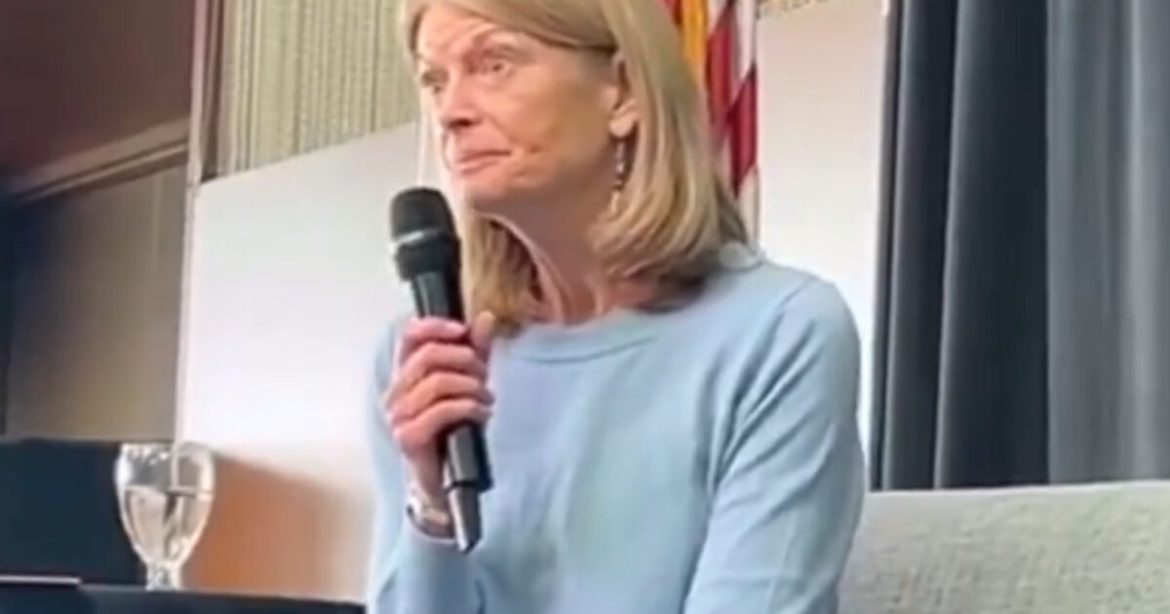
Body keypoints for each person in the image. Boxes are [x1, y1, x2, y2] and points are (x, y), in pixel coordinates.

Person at [365, 0, 865, 612]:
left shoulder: (780, 333)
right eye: (435, 80)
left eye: (494, 64)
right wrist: (432, 507)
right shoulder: (427, 358)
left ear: (623, 91)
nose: (451, 112)